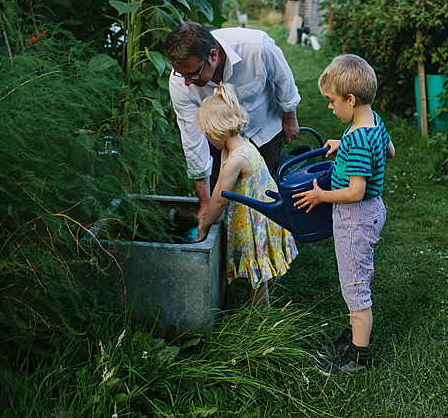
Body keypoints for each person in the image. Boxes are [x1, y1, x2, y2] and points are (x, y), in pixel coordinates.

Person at [293, 54, 395, 374]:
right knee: (355, 281)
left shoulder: (360, 138)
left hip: (356, 217)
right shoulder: (371, 122)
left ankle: (358, 357)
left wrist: (322, 195)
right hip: (369, 213)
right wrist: (345, 142)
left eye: (332, 101)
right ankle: (354, 337)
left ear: (350, 99)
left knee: (355, 288)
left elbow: (355, 192)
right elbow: (389, 149)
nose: (330, 107)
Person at [162, 22, 301, 225]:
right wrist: (204, 202)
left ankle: (262, 232)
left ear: (212, 55)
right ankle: (231, 240)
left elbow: (284, 80)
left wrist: (290, 117)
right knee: (222, 195)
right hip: (219, 139)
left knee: (261, 190)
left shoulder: (257, 46)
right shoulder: (180, 82)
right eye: (181, 74)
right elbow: (192, 139)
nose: (187, 82)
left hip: (264, 126)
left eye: (192, 73)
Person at [193, 82, 298, 309]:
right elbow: (221, 184)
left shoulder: (237, 159)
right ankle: (256, 312)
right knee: (255, 270)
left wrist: (204, 227)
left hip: (259, 218)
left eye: (207, 135)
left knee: (257, 272)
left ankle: (261, 317)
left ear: (216, 132)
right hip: (259, 212)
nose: (208, 140)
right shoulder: (235, 148)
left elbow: (221, 198)